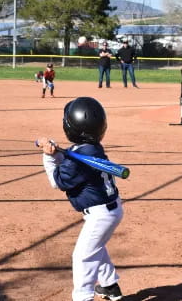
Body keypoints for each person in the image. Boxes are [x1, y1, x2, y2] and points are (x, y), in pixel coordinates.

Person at [36, 97, 124, 301]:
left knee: (83, 256)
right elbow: (71, 165)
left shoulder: (82, 156)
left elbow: (58, 181)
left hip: (100, 215)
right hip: (109, 210)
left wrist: (48, 157)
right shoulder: (91, 149)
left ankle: (83, 297)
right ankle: (110, 286)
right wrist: (56, 153)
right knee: (95, 248)